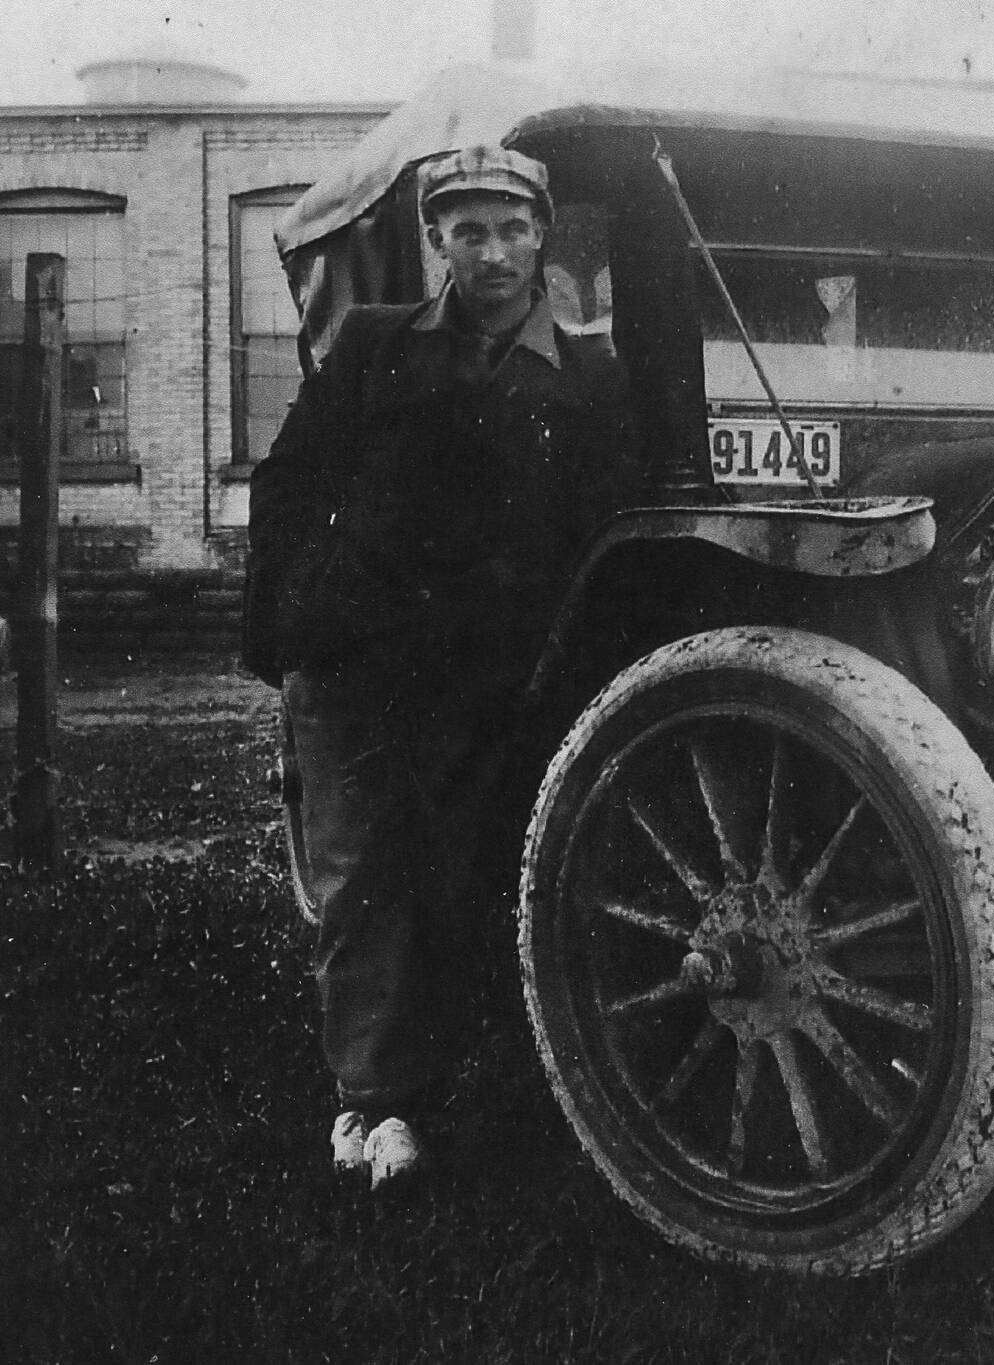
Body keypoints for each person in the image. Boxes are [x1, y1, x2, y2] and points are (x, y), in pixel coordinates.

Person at [242, 144, 639, 1190]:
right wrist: (299, 620)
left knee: (476, 871)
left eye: (511, 228)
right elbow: (286, 481)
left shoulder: (594, 373)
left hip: (496, 676)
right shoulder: (377, 346)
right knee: (360, 877)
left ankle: (489, 1078)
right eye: (468, 230)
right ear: (437, 241)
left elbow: (607, 523)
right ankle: (374, 1105)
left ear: (543, 234)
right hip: (360, 662)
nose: (493, 251)